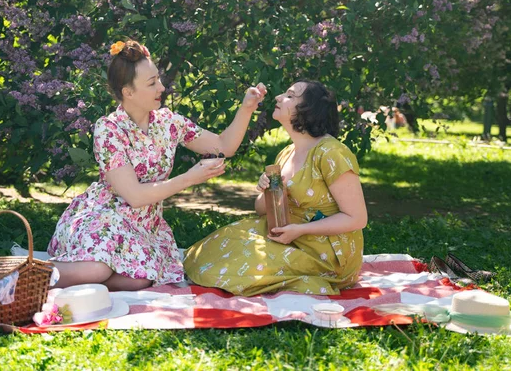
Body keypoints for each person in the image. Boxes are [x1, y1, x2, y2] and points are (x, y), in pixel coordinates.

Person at [47, 39, 266, 291]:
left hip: (144, 226)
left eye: (158, 79)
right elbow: (135, 196)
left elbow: (223, 145)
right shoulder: (108, 129)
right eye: (151, 83)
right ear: (128, 92)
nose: (161, 87)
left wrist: (247, 107)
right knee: (97, 269)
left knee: (138, 279)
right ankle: (23, 275)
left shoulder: (168, 122)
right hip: (106, 217)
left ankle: (71, 278)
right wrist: (189, 178)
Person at [184, 80, 367, 296]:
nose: (279, 97)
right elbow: (262, 210)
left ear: (308, 109)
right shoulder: (286, 153)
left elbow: (356, 218)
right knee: (212, 249)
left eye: (289, 95)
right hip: (290, 236)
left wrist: (300, 230)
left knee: (236, 264)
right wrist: (264, 191)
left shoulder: (331, 153)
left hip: (325, 253)